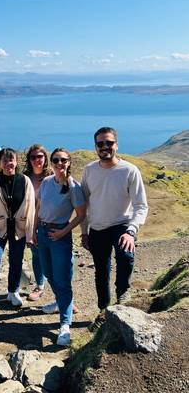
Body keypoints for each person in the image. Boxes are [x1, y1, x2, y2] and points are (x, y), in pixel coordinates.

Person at [81, 126, 148, 313]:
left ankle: (123, 307)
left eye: (109, 143)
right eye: (100, 143)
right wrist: (84, 232)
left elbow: (141, 205)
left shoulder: (129, 170)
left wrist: (131, 231)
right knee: (101, 272)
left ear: (116, 145)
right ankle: (103, 311)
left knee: (126, 260)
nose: (105, 147)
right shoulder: (89, 170)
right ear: (95, 147)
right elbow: (84, 203)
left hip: (122, 225)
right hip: (97, 228)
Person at [34, 148, 86, 346]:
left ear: (69, 162)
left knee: (62, 279)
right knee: (48, 273)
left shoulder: (74, 187)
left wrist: (63, 233)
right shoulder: (47, 182)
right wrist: (33, 231)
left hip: (59, 235)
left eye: (63, 160)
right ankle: (60, 302)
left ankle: (65, 324)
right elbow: (39, 207)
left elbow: (81, 215)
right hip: (43, 232)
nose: (59, 163)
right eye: (55, 160)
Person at [0, 147, 35, 321]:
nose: (8, 163)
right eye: (5, 160)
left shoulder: (24, 181)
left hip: (19, 229)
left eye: (12, 160)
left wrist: (30, 234)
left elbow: (31, 208)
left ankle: (13, 292)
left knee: (16, 262)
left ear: (16, 162)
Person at [23, 144, 51, 301]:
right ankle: (40, 286)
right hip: (30, 223)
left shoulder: (52, 176)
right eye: (33, 157)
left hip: (50, 222)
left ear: (45, 158)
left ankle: (59, 291)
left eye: (39, 156)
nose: (36, 160)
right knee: (36, 254)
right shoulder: (24, 178)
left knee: (50, 255)